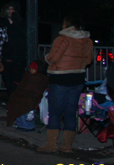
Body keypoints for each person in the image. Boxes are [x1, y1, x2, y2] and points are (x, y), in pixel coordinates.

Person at [38, 14, 93, 153]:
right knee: (70, 112)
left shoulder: (63, 39)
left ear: (67, 24)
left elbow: (53, 58)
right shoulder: (87, 40)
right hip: (78, 78)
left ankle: (51, 144)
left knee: (55, 112)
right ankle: (67, 145)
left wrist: (46, 58)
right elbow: (88, 61)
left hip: (60, 78)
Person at [6, 61, 48, 131]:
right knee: (15, 99)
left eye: (33, 69)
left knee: (24, 103)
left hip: (32, 97)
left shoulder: (40, 78)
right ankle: (20, 123)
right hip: (25, 95)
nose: (31, 70)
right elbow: (23, 86)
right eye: (30, 68)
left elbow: (36, 90)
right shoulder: (28, 76)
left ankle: (27, 125)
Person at [0, 1, 26, 96]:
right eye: (9, 9)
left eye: (12, 9)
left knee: (16, 80)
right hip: (6, 55)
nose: (11, 11)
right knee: (7, 79)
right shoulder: (3, 22)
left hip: (17, 57)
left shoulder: (19, 23)